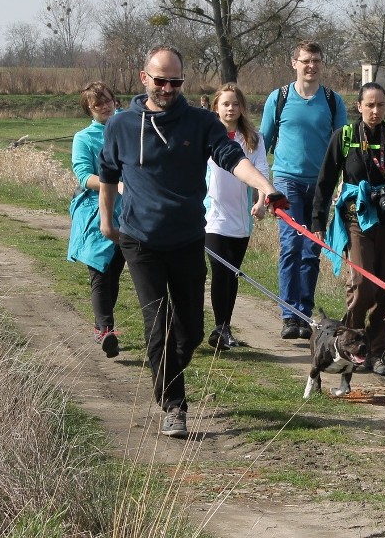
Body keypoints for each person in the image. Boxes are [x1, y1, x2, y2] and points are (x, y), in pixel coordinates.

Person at [97, 45, 286, 438]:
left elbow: (233, 157)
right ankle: (174, 404)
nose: (167, 88)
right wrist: (105, 221)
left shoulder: (200, 122)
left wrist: (265, 187)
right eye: (160, 80)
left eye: (175, 81)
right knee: (158, 324)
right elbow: (109, 176)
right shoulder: (121, 125)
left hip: (186, 238)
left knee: (193, 330)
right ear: (144, 78)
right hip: (141, 240)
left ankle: (165, 374)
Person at [311, 82, 385, 377]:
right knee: (364, 287)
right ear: (359, 106)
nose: (376, 111)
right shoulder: (345, 137)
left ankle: (374, 353)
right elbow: (325, 182)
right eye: (370, 105)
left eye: (381, 105)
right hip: (356, 219)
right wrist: (317, 221)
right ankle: (348, 343)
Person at [260, 40, 348, 341]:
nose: (311, 66)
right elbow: (263, 142)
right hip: (287, 181)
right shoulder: (279, 98)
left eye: (317, 61)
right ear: (294, 63)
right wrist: (262, 187)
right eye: (306, 60)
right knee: (291, 246)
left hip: (320, 186)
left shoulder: (334, 101)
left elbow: (343, 148)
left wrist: (339, 183)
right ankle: (289, 315)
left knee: (311, 250)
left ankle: (304, 314)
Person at [204, 83, 270, 351]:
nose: (230, 108)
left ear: (242, 107)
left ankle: (226, 326)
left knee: (232, 275)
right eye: (225, 104)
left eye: (235, 104)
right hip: (212, 218)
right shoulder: (207, 136)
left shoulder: (252, 138)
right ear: (216, 107)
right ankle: (219, 329)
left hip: (240, 220)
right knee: (220, 273)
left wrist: (262, 201)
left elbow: (262, 170)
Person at [68, 81, 126, 358]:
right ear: (89, 110)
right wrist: (112, 184)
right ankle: (106, 330)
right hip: (95, 211)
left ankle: (102, 325)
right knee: (100, 272)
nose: (105, 106)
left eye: (107, 100)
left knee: (114, 272)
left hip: (128, 212)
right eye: (97, 104)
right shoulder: (84, 138)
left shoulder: (129, 128)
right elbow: (83, 175)